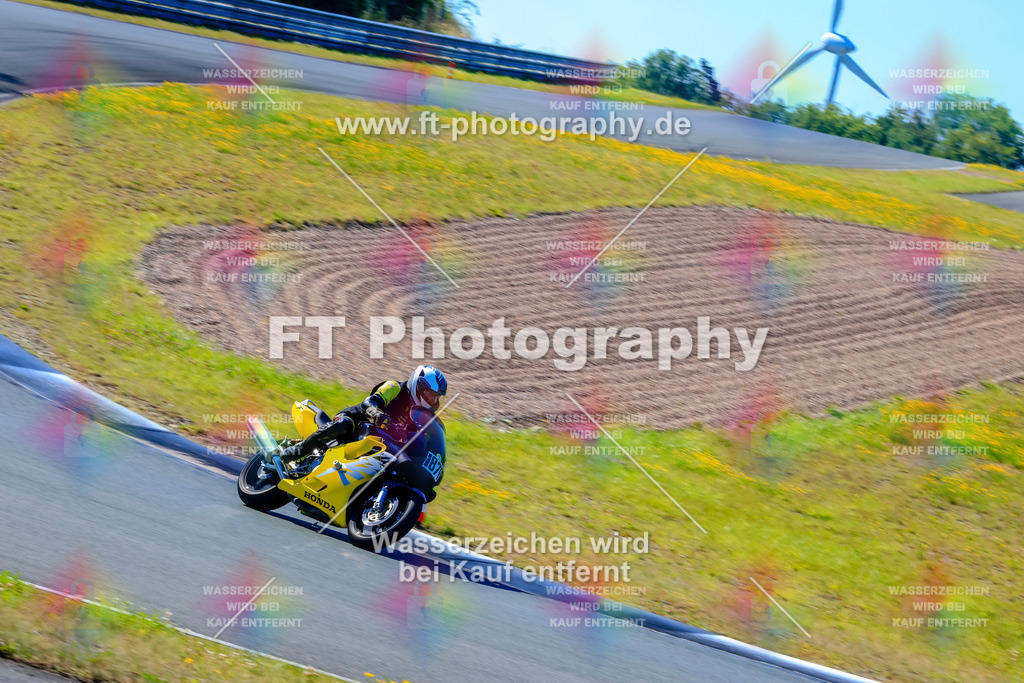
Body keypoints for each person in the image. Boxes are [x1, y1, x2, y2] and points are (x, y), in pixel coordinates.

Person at [280, 365, 447, 461]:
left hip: (380, 444)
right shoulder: (394, 388)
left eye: (437, 398)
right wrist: (377, 414)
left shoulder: (419, 415)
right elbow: (370, 402)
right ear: (419, 385)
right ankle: (296, 452)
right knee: (344, 424)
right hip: (357, 425)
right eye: (431, 395)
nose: (433, 401)